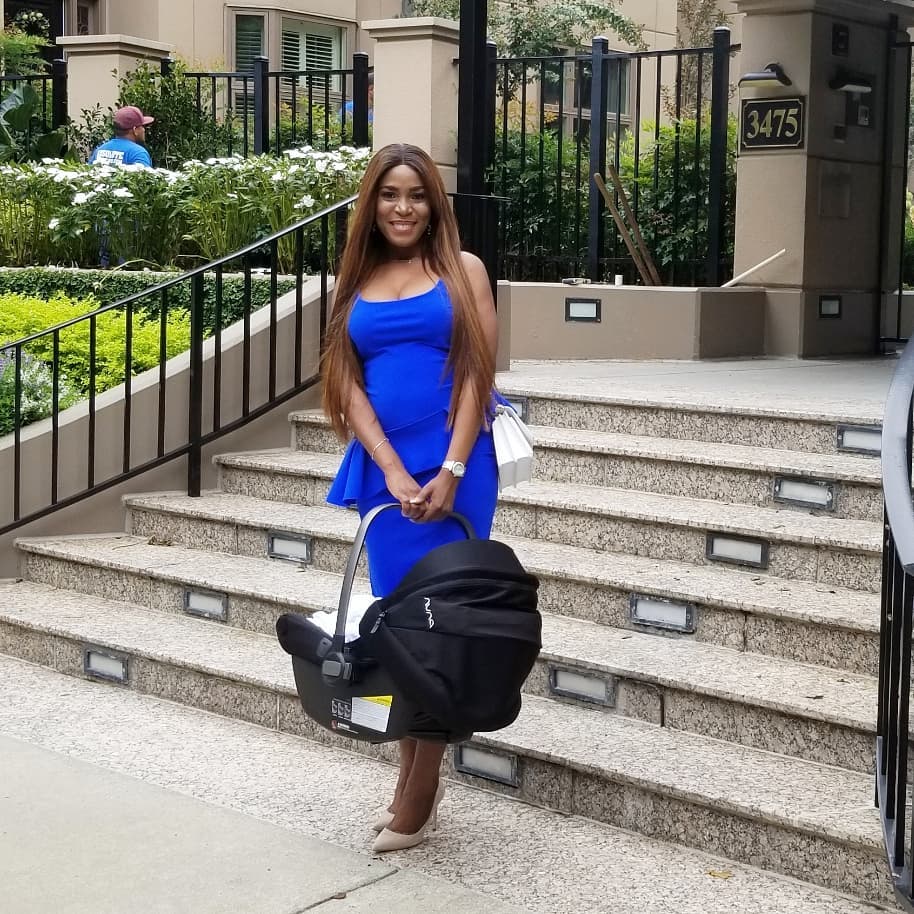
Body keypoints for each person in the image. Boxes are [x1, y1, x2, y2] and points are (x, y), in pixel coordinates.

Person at [322, 143, 498, 854]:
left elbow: (477, 374)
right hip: (386, 474)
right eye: (390, 194)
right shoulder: (356, 276)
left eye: (417, 195)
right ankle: (411, 776)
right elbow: (345, 382)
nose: (403, 207)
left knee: (440, 627)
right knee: (397, 626)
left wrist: (451, 468)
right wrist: (390, 469)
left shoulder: (464, 271)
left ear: (434, 204)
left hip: (456, 464)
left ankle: (420, 791)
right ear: (372, 204)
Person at [89, 106, 154, 168]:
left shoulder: (100, 150)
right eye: (142, 126)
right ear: (135, 130)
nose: (144, 130)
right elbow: (144, 175)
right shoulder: (138, 153)